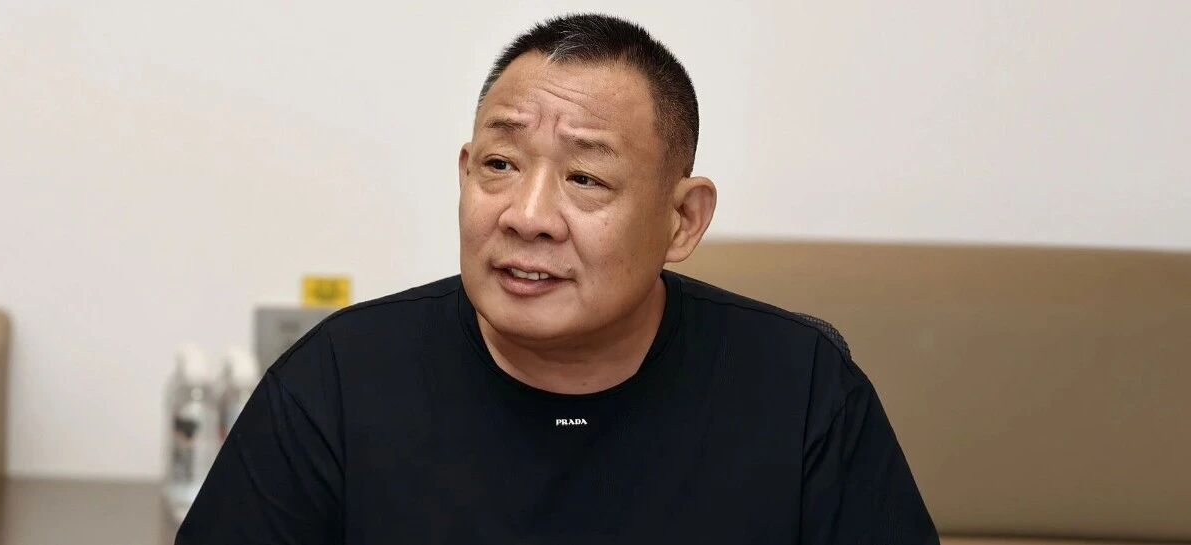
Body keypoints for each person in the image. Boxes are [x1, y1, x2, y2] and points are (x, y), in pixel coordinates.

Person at [176, 13, 938, 544]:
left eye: (585, 178)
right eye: (500, 165)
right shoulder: (334, 382)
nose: (528, 215)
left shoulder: (802, 390)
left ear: (682, 219)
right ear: (465, 173)